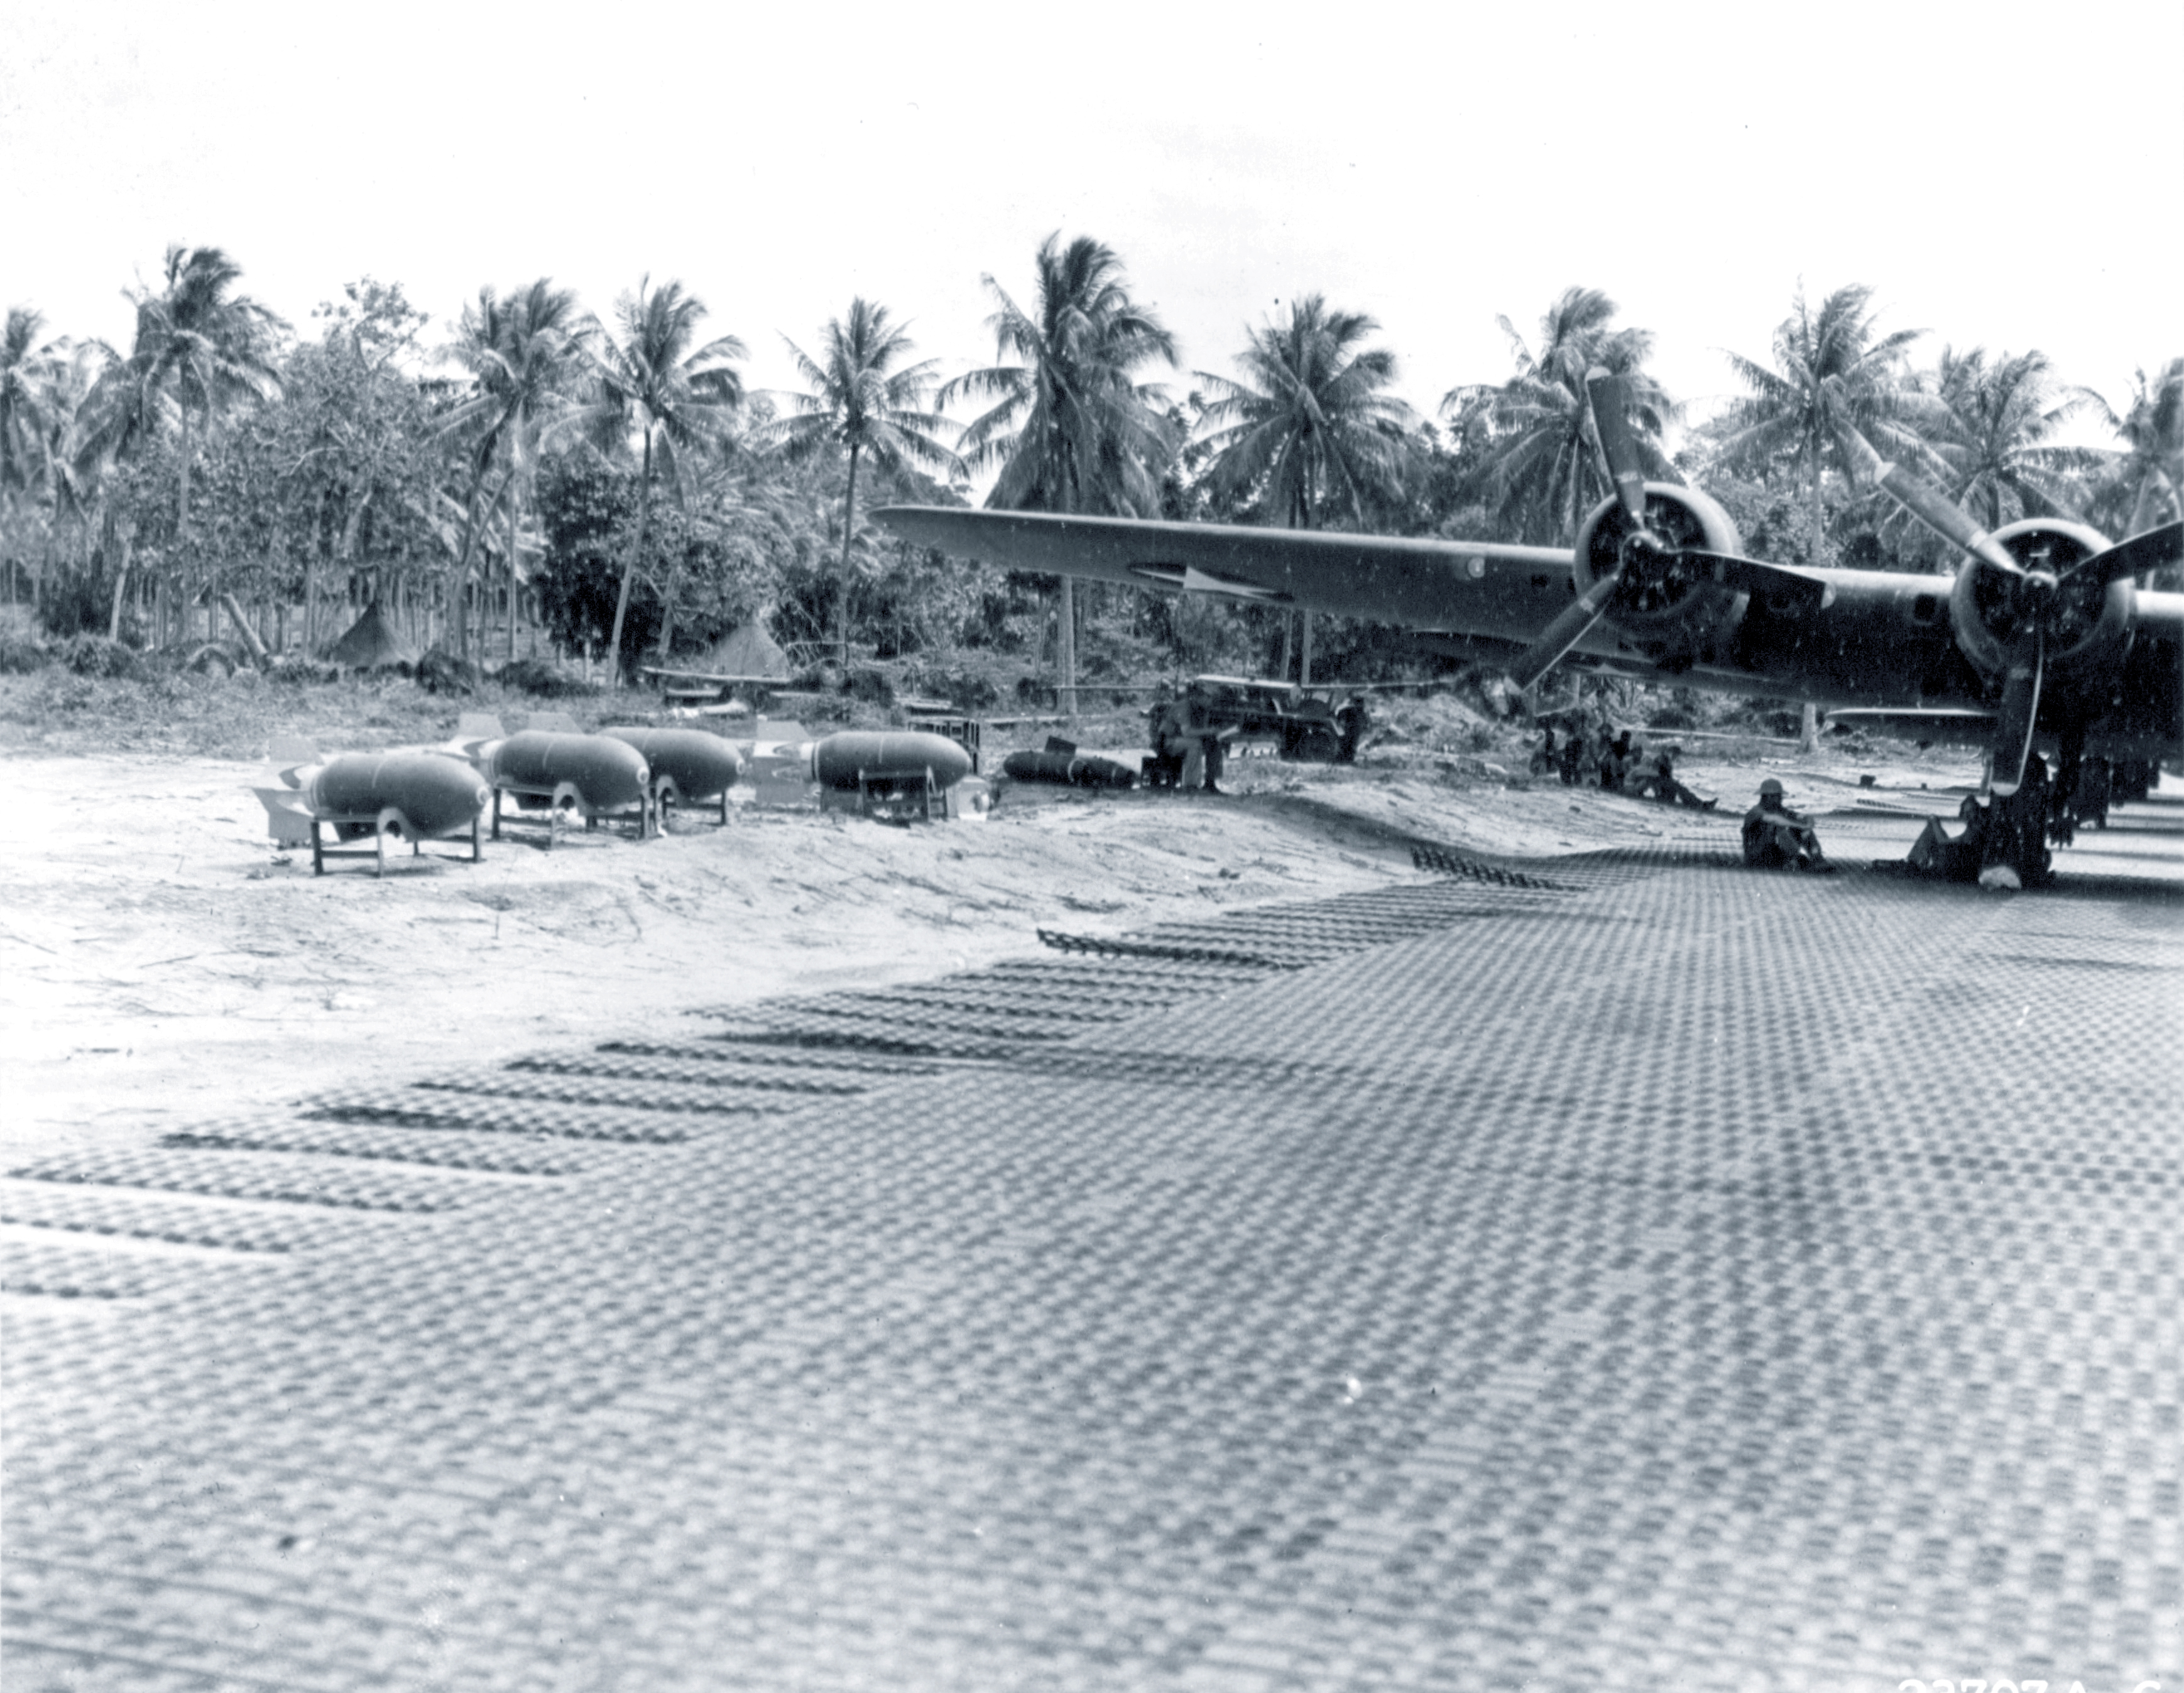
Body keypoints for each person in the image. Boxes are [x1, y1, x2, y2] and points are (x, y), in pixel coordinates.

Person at [1742, 777, 1832, 871]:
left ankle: (1817, 858)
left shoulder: (1779, 811)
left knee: (1800, 828)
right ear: (1769, 797)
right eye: (1779, 797)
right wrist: (1801, 826)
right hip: (1757, 856)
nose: (1781, 799)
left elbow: (1802, 817)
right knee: (1783, 827)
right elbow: (1775, 819)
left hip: (1774, 853)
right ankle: (1792, 861)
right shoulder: (1755, 812)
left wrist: (1807, 822)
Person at [1904, 794, 1990, 881]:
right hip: (1956, 858)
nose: (1967, 816)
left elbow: (1944, 842)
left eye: (1971, 812)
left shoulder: (1975, 831)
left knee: (1932, 827)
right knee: (1932, 829)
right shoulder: (1973, 829)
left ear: (1977, 812)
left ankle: (1912, 863)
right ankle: (1913, 862)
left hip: (1957, 863)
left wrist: (1935, 822)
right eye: (1965, 813)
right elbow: (1953, 841)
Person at [1335, 694, 1369, 765]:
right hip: (1349, 730)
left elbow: (1365, 722)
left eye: (1361, 703)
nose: (1360, 705)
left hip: (1355, 731)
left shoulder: (1361, 712)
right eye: (1358, 703)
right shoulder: (1349, 710)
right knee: (1347, 745)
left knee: (1351, 746)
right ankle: (1344, 760)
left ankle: (1348, 760)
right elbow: (1340, 716)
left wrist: (1365, 727)